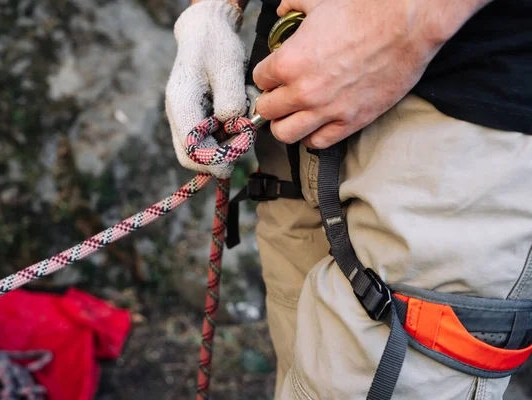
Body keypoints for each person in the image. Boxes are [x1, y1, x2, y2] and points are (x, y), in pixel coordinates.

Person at [165, 0, 532, 398]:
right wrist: (214, 10)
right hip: (298, 109)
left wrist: (407, 20)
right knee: (299, 375)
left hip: (461, 121)